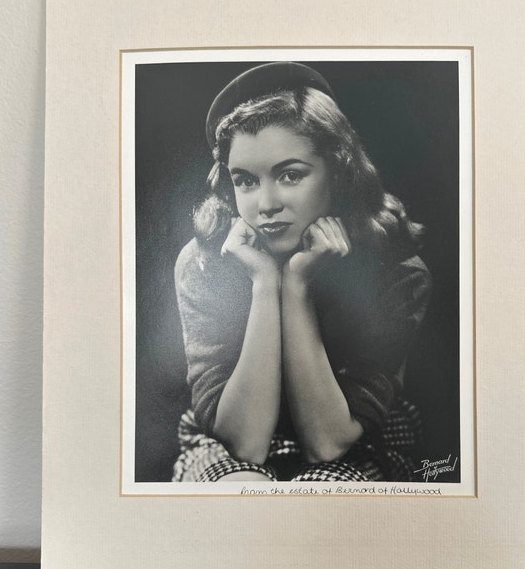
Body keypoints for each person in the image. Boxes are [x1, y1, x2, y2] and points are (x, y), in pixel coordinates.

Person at [172, 62, 432, 483]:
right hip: (225, 444)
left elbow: (328, 443)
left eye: (290, 175)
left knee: (324, 494)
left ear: (339, 172)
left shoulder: (397, 272)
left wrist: (296, 287)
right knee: (242, 493)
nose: (266, 205)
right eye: (245, 181)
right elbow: (246, 445)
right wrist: (264, 283)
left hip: (360, 446)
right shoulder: (203, 262)